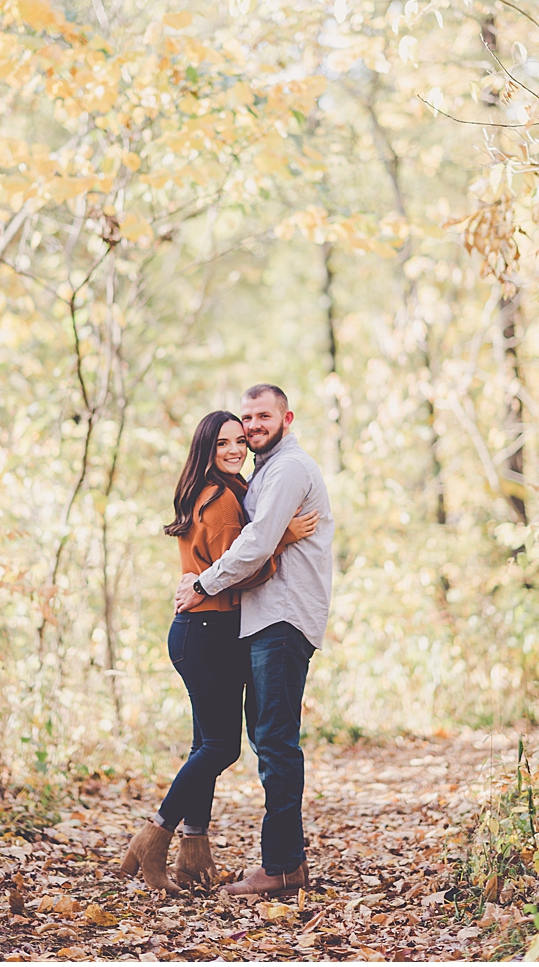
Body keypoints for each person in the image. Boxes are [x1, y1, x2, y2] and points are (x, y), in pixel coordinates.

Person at [119, 410, 317, 891]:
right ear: (206, 449)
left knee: (204, 743)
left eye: (239, 442)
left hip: (199, 630)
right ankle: (155, 835)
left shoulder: (205, 490)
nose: (234, 450)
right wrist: (280, 539)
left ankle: (193, 847)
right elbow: (240, 567)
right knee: (220, 746)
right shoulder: (226, 499)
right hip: (209, 629)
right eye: (222, 443)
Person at [175, 383, 335, 897]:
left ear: (287, 418)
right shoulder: (260, 474)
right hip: (265, 620)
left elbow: (256, 544)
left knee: (274, 743)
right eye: (247, 417)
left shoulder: (286, 469)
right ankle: (282, 863)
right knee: (266, 741)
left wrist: (201, 584)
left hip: (282, 621)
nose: (252, 426)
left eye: (263, 416)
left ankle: (284, 866)